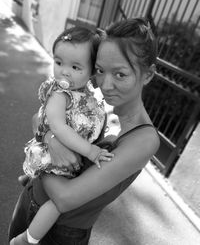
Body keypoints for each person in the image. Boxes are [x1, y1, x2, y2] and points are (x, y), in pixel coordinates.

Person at [8, 17, 160, 245]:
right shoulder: (97, 105)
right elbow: (38, 118)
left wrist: (40, 162)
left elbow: (65, 198)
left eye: (120, 74)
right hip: (30, 199)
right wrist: (51, 140)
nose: (106, 84)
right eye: (100, 70)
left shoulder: (144, 139)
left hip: (61, 233)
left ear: (147, 75)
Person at [9, 26, 114, 245]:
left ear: (92, 71)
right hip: (51, 153)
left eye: (75, 67)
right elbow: (57, 126)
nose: (64, 71)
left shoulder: (85, 97)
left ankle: (29, 177)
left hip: (61, 154)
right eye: (59, 62)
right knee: (57, 204)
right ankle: (27, 239)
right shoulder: (60, 94)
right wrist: (91, 151)